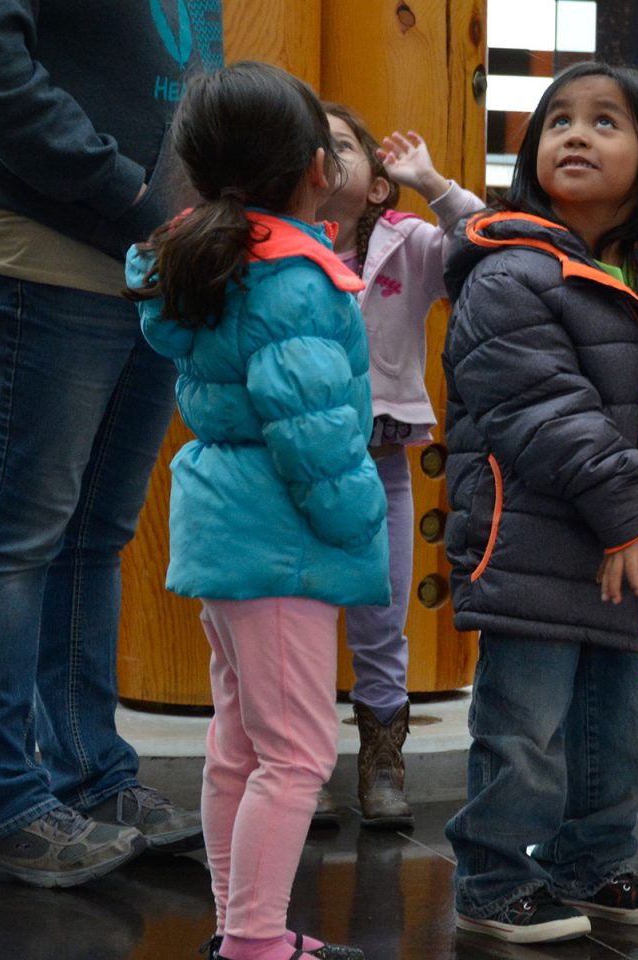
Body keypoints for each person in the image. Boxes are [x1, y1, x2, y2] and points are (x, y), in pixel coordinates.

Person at [0, 0, 218, 886]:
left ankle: (90, 777)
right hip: (42, 250)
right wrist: (128, 190)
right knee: (18, 534)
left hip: (152, 262)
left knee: (94, 538)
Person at [438, 62, 638, 944]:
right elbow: (540, 409)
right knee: (524, 727)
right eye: (559, 120)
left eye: (605, 121)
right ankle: (493, 878)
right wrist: (631, 511)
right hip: (538, 544)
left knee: (626, 727)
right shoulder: (509, 269)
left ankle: (599, 860)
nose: (576, 133)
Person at [126, 62, 385, 960]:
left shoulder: (209, 256)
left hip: (228, 523)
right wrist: (359, 520)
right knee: (299, 754)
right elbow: (312, 430)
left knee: (240, 742)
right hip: (284, 540)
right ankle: (255, 943)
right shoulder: (293, 276)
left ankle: (244, 927)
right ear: (319, 167)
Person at [309, 104, 488, 829]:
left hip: (379, 460)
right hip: (297, 466)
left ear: (378, 186)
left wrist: (432, 184)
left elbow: (482, 242)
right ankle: (306, 763)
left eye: (341, 145)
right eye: (309, 145)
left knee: (380, 618)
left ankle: (382, 761)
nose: (323, 154)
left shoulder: (406, 243)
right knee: (301, 619)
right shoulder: (279, 244)